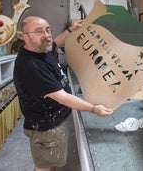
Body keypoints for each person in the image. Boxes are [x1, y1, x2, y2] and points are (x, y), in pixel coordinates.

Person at [13, 16, 114, 171]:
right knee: (44, 166)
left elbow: (56, 43)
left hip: (53, 119)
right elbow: (63, 98)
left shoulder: (40, 48)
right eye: (39, 31)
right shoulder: (32, 66)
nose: (46, 35)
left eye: (48, 30)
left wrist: (70, 29)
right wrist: (94, 108)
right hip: (46, 126)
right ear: (25, 36)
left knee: (52, 160)